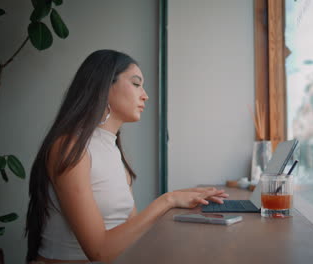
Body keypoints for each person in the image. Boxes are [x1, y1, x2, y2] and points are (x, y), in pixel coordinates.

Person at [25, 50, 228, 263]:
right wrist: (168, 200)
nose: (145, 95)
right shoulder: (69, 148)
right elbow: (99, 252)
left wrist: (182, 201)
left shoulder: (113, 151)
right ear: (104, 86)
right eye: (136, 83)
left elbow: (130, 233)